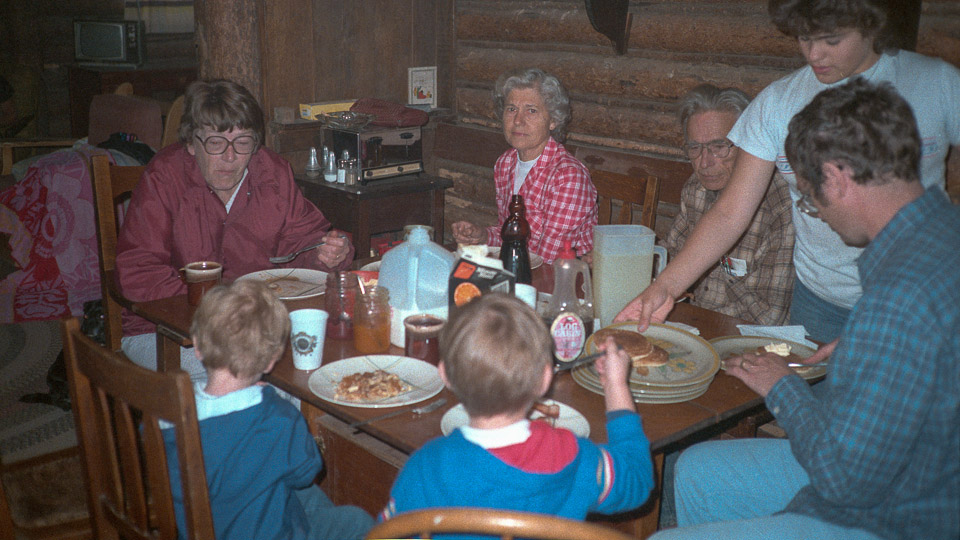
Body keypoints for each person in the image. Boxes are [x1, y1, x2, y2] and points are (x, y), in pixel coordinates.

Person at [650, 79, 960, 540]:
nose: (815, 211)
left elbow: (843, 479)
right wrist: (860, 345)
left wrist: (783, 386)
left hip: (896, 514)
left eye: (810, 198)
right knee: (694, 469)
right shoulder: (938, 234)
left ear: (836, 177)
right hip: (900, 471)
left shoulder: (899, 295)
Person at [616, 0, 960, 342]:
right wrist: (665, 287)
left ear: (872, 22)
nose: (814, 54)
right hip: (819, 302)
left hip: (918, 299)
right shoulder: (778, 102)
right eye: (803, 38)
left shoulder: (936, 84)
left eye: (831, 40)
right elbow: (730, 214)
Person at [116, 79, 354, 380]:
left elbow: (302, 239)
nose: (230, 157)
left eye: (243, 142)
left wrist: (327, 253)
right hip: (164, 331)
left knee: (320, 363)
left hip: (257, 325)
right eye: (215, 142)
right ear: (191, 143)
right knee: (250, 374)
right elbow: (138, 271)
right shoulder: (164, 177)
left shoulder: (273, 172)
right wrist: (226, 304)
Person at [379, 293, 654, 521]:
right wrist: (616, 386)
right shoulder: (575, 458)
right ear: (545, 379)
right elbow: (638, 479)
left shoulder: (427, 468)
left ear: (445, 376)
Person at [162, 279, 374, 540]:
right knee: (356, 520)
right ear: (272, 360)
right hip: (270, 532)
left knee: (303, 495)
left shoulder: (166, 415)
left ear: (196, 345)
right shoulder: (276, 417)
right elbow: (307, 472)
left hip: (200, 527)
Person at [664, 84, 794, 325]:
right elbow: (672, 256)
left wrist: (715, 257)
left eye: (719, 147)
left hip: (752, 340)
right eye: (695, 148)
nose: (705, 163)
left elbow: (769, 317)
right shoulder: (696, 189)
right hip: (699, 322)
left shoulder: (780, 205)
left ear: (749, 144)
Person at [451, 69, 598, 263]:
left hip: (567, 280)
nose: (518, 121)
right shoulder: (506, 163)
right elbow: (511, 237)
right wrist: (483, 237)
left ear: (553, 120)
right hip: (524, 269)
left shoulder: (568, 176)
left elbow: (550, 258)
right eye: (511, 109)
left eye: (532, 110)